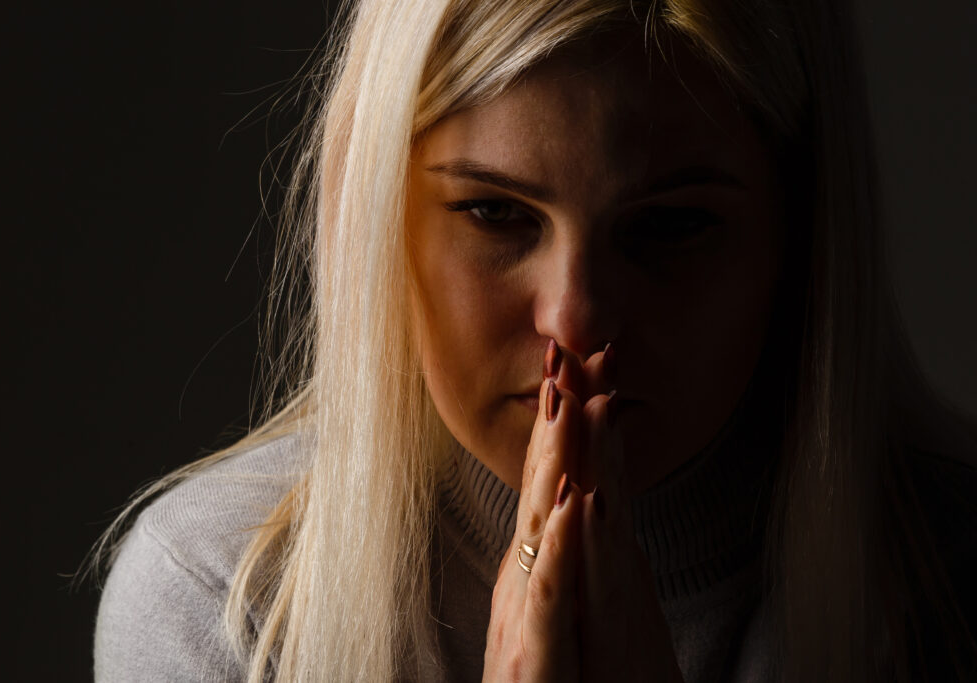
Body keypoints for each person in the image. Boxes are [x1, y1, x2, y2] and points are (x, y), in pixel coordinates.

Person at [91, 0, 977, 681]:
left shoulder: (950, 587)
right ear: (378, 212)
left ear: (800, 231)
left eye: (669, 228)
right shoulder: (222, 604)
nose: (578, 317)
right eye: (495, 214)